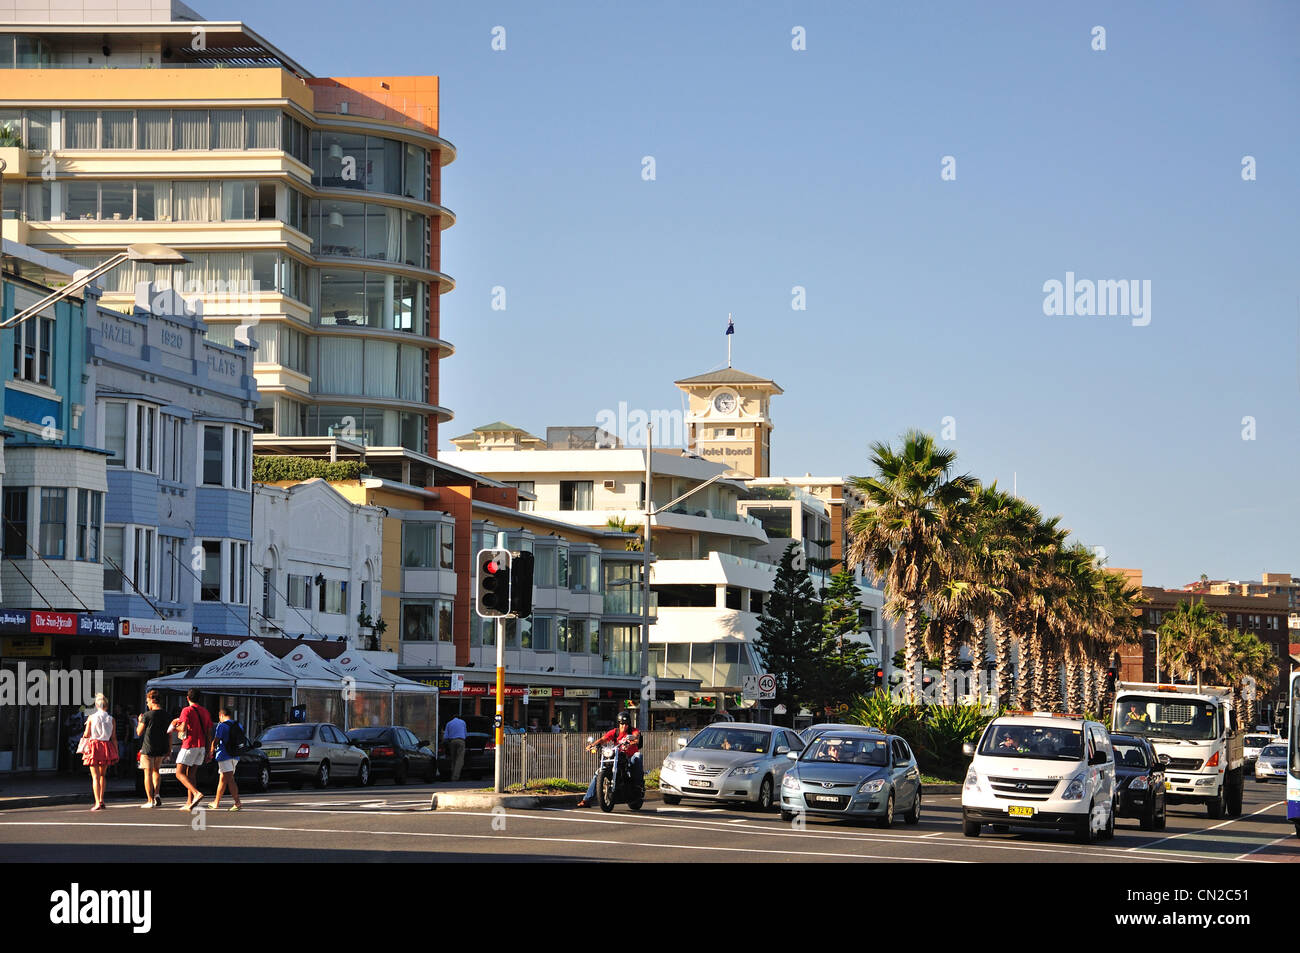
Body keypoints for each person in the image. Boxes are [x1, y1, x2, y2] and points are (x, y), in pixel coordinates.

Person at [578, 711, 642, 808]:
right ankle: (586, 800)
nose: (624, 726)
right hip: (617, 755)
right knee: (598, 773)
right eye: (622, 724)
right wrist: (593, 745)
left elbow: (636, 738)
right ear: (618, 723)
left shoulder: (633, 731)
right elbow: (603, 739)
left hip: (629, 756)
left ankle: (638, 785)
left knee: (637, 756)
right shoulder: (615, 732)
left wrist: (631, 742)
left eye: (626, 724)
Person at [170, 689, 213, 811]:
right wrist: (209, 749)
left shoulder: (186, 710)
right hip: (201, 746)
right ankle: (189, 802)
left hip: (189, 744)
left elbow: (183, 728)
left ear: (187, 698)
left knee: (179, 773)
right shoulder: (205, 711)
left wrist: (174, 725)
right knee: (191, 774)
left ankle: (196, 793)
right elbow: (209, 732)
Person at [80, 694, 119, 811]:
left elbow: (86, 734)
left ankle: (97, 802)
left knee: (95, 777)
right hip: (106, 746)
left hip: (94, 746)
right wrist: (116, 752)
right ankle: (102, 799)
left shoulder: (92, 717)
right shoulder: (111, 719)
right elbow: (114, 737)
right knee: (103, 775)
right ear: (106, 706)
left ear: (96, 705)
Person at [136, 690, 171, 808]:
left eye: (147, 701)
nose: (147, 704)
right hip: (161, 746)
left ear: (152, 700)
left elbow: (139, 732)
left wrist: (139, 720)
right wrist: (169, 749)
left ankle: (150, 800)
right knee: (157, 771)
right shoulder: (166, 715)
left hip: (148, 747)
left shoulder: (147, 715)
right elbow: (169, 733)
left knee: (148, 773)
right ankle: (157, 794)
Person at [207, 708, 244, 812]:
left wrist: (211, 752)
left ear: (221, 716)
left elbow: (216, 740)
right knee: (222, 779)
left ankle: (237, 802)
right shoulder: (238, 725)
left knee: (230, 779)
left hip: (224, 755)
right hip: (235, 756)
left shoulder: (222, 726)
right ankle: (216, 802)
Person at [443, 713, 467, 781]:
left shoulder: (449, 723)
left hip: (452, 742)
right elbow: (465, 734)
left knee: (453, 759)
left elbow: (446, 736)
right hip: (461, 741)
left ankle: (453, 774)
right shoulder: (463, 722)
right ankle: (455, 777)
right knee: (459, 760)